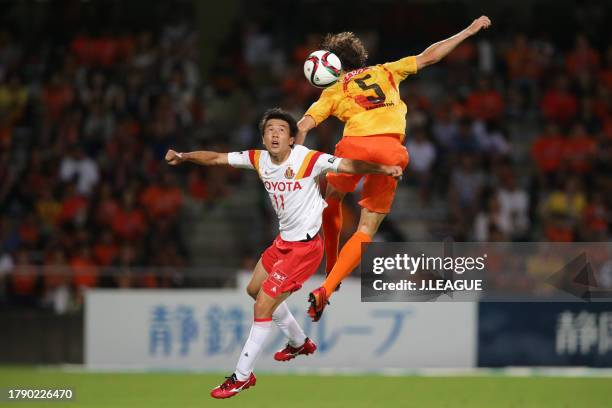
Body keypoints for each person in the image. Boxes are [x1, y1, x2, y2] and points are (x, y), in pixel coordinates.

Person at [165, 108, 401, 399]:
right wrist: (185, 156)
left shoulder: (308, 159)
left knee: (263, 306)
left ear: (292, 139)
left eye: (281, 130)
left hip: (305, 248)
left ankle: (241, 376)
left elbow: (348, 166)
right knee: (254, 290)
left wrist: (383, 169)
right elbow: (215, 158)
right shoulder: (258, 159)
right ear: (263, 138)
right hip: (283, 243)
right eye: (269, 130)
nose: (274, 134)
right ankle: (299, 342)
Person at [296, 16, 492, 321]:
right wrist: (467, 30)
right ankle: (329, 286)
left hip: (355, 147)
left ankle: (331, 268)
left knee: (331, 198)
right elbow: (430, 56)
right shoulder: (386, 70)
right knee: (365, 229)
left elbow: (304, 124)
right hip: (390, 151)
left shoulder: (333, 91)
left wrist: (295, 153)